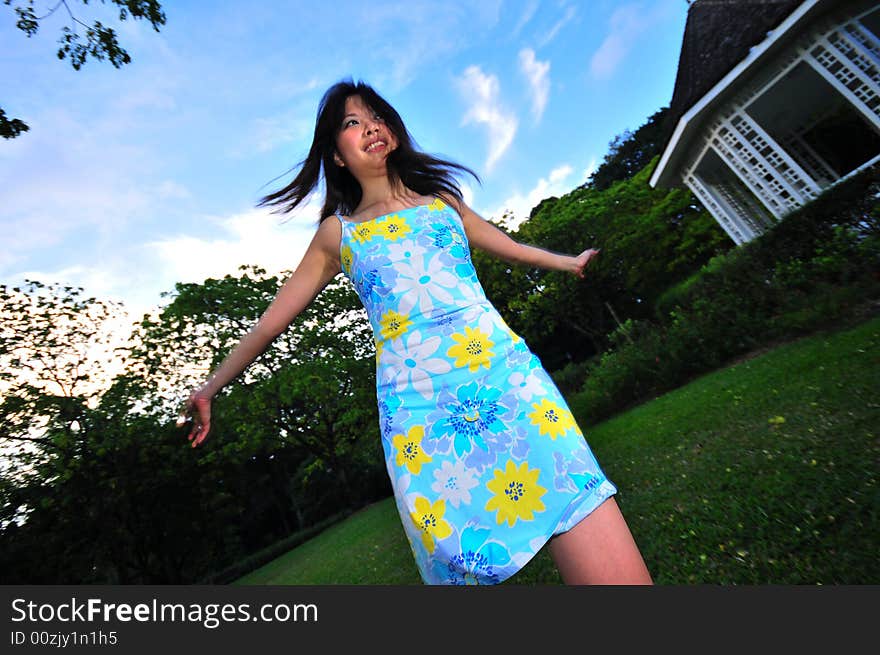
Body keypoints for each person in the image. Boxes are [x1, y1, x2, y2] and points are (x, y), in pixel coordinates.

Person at [181, 78, 653, 586]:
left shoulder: (442, 201)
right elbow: (272, 321)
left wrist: (568, 261)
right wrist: (211, 386)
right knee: (458, 571)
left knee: (584, 510)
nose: (370, 127)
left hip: (507, 382)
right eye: (351, 123)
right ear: (336, 156)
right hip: (422, 419)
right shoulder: (338, 235)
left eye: (376, 116)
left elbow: (507, 245)